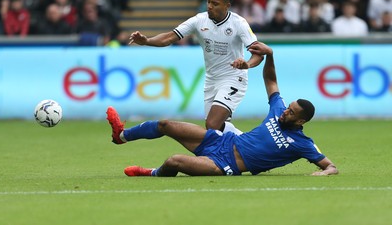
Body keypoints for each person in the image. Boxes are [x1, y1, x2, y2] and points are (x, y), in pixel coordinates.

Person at [106, 42, 339, 177]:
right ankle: (122, 136)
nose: (285, 111)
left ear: (300, 122)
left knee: (174, 161)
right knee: (165, 124)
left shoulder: (302, 144)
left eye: (291, 112)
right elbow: (271, 81)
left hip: (225, 164)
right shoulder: (277, 112)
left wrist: (323, 172)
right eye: (288, 107)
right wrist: (270, 55)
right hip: (220, 142)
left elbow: (331, 166)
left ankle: (150, 173)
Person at [129, 0, 263, 134]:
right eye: (208, 1)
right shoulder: (199, 20)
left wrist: (247, 64)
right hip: (211, 80)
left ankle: (251, 145)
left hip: (234, 78)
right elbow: (169, 37)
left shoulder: (239, 24)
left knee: (213, 124)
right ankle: (247, 145)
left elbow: (258, 53)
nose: (210, 6)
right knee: (215, 130)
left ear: (227, 5)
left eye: (215, 3)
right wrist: (147, 41)